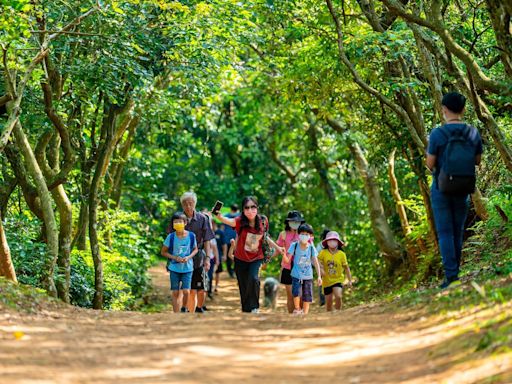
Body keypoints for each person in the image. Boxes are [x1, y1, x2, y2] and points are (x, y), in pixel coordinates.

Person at [426, 92, 483, 289]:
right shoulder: (473, 132)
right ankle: (455, 272)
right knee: (458, 231)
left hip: (441, 188)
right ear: (463, 109)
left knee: (445, 232)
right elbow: (477, 161)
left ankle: (452, 277)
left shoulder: (437, 134)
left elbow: (430, 163)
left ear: (444, 110)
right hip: (463, 187)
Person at [216, 196, 285, 313]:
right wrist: (218, 215)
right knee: (243, 285)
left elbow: (265, 237)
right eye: (247, 207)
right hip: (240, 259)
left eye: (253, 207)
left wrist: (278, 248)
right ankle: (246, 310)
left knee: (253, 279)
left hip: (256, 258)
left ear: (257, 208)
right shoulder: (239, 221)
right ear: (243, 210)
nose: (250, 210)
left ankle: (254, 307)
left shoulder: (262, 221)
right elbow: (226, 220)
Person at [180, 192, 215, 313]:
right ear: (182, 205)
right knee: (189, 288)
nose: (188, 206)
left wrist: (207, 259)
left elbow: (207, 240)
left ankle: (199, 308)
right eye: (185, 204)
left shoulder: (202, 219)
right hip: (183, 256)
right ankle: (190, 311)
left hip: (199, 256)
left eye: (191, 203)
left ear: (195, 204)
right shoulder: (178, 219)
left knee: (200, 287)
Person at [161, 212, 198, 313]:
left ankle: (184, 308)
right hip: (174, 268)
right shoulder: (171, 237)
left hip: (188, 268)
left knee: (186, 291)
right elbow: (163, 252)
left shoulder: (191, 236)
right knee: (175, 292)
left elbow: (195, 249)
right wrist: (174, 257)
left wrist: (188, 257)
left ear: (185, 223)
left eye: (180, 221)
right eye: (175, 222)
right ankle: (175, 314)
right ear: (172, 224)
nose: (177, 223)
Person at [283, 223, 322, 315]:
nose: (304, 236)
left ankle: (305, 313)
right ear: (299, 234)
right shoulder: (294, 245)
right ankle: (297, 309)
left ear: (310, 236)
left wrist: (319, 276)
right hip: (296, 275)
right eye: (302, 234)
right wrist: (283, 254)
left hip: (308, 276)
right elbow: (287, 260)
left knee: (307, 296)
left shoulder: (311, 248)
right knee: (296, 292)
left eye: (307, 234)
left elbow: (316, 262)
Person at [276, 210, 305, 313]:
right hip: (287, 267)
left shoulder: (304, 234)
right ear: (288, 222)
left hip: (301, 268)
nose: (295, 223)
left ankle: (301, 314)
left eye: (297, 221)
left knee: (300, 295)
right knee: (291, 295)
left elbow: (311, 249)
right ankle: (291, 318)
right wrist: (267, 260)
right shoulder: (283, 234)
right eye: (292, 221)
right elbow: (277, 249)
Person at [317, 231, 352, 311]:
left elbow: (346, 268)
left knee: (338, 296)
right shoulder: (323, 253)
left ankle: (338, 312)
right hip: (326, 281)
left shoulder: (342, 254)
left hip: (338, 279)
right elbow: (317, 261)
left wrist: (350, 280)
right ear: (327, 242)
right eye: (330, 240)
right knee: (328, 305)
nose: (332, 242)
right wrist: (321, 268)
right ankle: (331, 319)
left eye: (334, 240)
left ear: (338, 242)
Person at [223, 204, 240, 278]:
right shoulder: (239, 216)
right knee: (238, 256)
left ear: (231, 209)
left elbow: (223, 225)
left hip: (227, 239)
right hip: (237, 239)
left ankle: (230, 272)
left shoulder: (226, 215)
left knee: (228, 256)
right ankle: (236, 271)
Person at [315, 228, 331, 306]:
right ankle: (323, 300)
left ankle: (325, 300)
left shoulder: (320, 244)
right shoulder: (321, 245)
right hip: (323, 267)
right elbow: (317, 257)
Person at [213, 221, 227, 293]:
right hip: (210, 256)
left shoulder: (220, 232)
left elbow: (224, 245)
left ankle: (216, 286)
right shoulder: (208, 232)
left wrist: (224, 255)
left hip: (219, 255)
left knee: (217, 272)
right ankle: (209, 287)